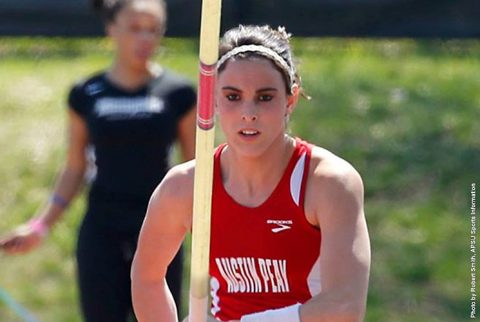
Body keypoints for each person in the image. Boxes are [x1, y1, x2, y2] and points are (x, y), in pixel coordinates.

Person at [131, 24, 371, 322]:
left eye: (265, 97)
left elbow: (345, 306)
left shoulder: (327, 182)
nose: (248, 113)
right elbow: (147, 278)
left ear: (291, 100)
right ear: (214, 100)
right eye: (232, 97)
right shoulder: (187, 186)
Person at [0, 0, 196, 321]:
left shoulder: (178, 93)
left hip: (161, 228)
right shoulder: (86, 93)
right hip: (102, 228)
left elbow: (197, 169)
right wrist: (39, 226)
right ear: (111, 29)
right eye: (135, 28)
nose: (145, 38)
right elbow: (74, 167)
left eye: (154, 30)